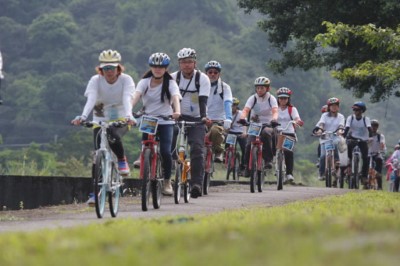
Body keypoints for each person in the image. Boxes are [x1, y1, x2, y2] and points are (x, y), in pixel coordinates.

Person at [71, 49, 135, 205]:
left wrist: (129, 116)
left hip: (121, 118)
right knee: (97, 157)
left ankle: (121, 159)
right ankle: (95, 193)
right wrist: (83, 117)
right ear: (101, 69)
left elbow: (127, 98)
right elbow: (91, 99)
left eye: (112, 68)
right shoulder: (95, 80)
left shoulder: (126, 80)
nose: (109, 72)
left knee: (113, 133)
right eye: (105, 68)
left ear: (118, 68)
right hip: (99, 119)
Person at [131, 53, 181, 195]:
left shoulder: (170, 83)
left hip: (166, 120)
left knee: (165, 151)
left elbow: (175, 97)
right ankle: (143, 156)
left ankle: (166, 182)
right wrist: (128, 110)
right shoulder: (144, 82)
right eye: (155, 66)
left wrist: (177, 111)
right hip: (149, 118)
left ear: (166, 68)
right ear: (151, 67)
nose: (158, 69)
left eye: (161, 67)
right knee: (146, 143)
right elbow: (135, 97)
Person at [171, 48, 211, 198]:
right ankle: (166, 178)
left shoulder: (202, 78)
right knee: (168, 141)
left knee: (197, 149)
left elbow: (203, 100)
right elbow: (168, 99)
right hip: (177, 116)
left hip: (197, 118)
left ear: (195, 63)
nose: (186, 65)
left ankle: (196, 184)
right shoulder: (173, 78)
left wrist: (203, 117)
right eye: (183, 62)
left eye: (189, 62)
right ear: (179, 64)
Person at [238, 76, 279, 176]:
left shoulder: (271, 98)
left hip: (267, 124)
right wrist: (242, 118)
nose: (259, 90)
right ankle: (247, 168)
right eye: (258, 88)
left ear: (267, 89)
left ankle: (268, 160)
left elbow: (275, 111)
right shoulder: (253, 98)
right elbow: (246, 110)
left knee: (266, 133)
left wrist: (274, 119)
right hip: (254, 125)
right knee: (248, 145)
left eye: (262, 88)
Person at [204, 60, 233, 162]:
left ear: (219, 74)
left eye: (215, 72)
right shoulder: (200, 85)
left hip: (218, 119)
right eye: (210, 72)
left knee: (215, 130)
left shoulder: (225, 87)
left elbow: (227, 102)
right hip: (202, 118)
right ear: (206, 73)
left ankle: (218, 151)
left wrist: (229, 118)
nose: (212, 74)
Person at [312, 97, 345, 185]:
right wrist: (320, 130)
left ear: (338, 107)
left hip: (335, 137)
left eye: (336, 105)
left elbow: (341, 126)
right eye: (332, 106)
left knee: (336, 143)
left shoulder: (341, 116)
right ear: (329, 107)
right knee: (323, 156)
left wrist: (340, 131)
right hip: (325, 138)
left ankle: (337, 160)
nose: (334, 107)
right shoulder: (324, 115)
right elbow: (321, 124)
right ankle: (321, 173)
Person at [276, 87, 304, 182]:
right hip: (277, 132)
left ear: (288, 99)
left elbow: (296, 118)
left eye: (285, 98)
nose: (283, 100)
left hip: (289, 133)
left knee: (288, 151)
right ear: (278, 99)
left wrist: (298, 121)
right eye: (281, 98)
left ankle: (289, 173)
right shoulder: (275, 109)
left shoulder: (292, 109)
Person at [343, 101, 372, 189]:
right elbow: (347, 128)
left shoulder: (365, 119)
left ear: (362, 111)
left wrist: (370, 137)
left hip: (363, 140)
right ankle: (349, 166)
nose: (355, 111)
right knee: (348, 151)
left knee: (366, 158)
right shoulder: (350, 118)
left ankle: (364, 176)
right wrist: (343, 137)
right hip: (352, 138)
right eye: (354, 109)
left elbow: (369, 129)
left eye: (357, 110)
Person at [226, 97, 246, 173]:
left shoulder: (241, 114)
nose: (232, 107)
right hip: (231, 132)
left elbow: (244, 124)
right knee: (227, 146)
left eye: (234, 105)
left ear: (236, 106)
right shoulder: (226, 114)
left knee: (244, 148)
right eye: (231, 105)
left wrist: (244, 132)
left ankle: (243, 166)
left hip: (240, 133)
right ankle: (227, 157)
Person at [368, 119, 386, 190]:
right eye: (372, 126)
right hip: (368, 154)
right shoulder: (367, 135)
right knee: (366, 165)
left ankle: (380, 186)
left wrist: (381, 148)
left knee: (379, 160)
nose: (374, 127)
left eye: (375, 126)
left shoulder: (380, 136)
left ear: (377, 127)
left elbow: (382, 144)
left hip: (376, 153)